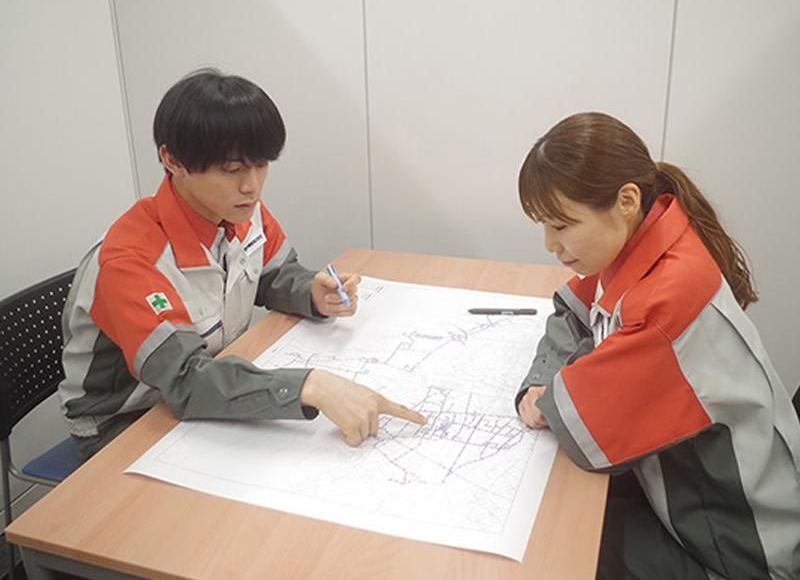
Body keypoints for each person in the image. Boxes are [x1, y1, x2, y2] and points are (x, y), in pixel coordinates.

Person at [59, 69, 425, 462]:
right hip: (125, 422)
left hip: (201, 387)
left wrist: (311, 292)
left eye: (261, 164)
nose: (252, 186)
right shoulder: (129, 260)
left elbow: (275, 274)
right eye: (232, 170)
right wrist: (312, 387)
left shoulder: (240, 211)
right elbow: (184, 379)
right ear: (172, 160)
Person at [515, 112, 800, 579]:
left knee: (555, 547)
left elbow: (579, 427)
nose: (549, 244)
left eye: (562, 226)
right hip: (684, 501)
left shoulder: (668, 298)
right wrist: (547, 377)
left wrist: (546, 392)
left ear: (626, 201)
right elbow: (572, 313)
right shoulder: (638, 239)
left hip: (739, 554)